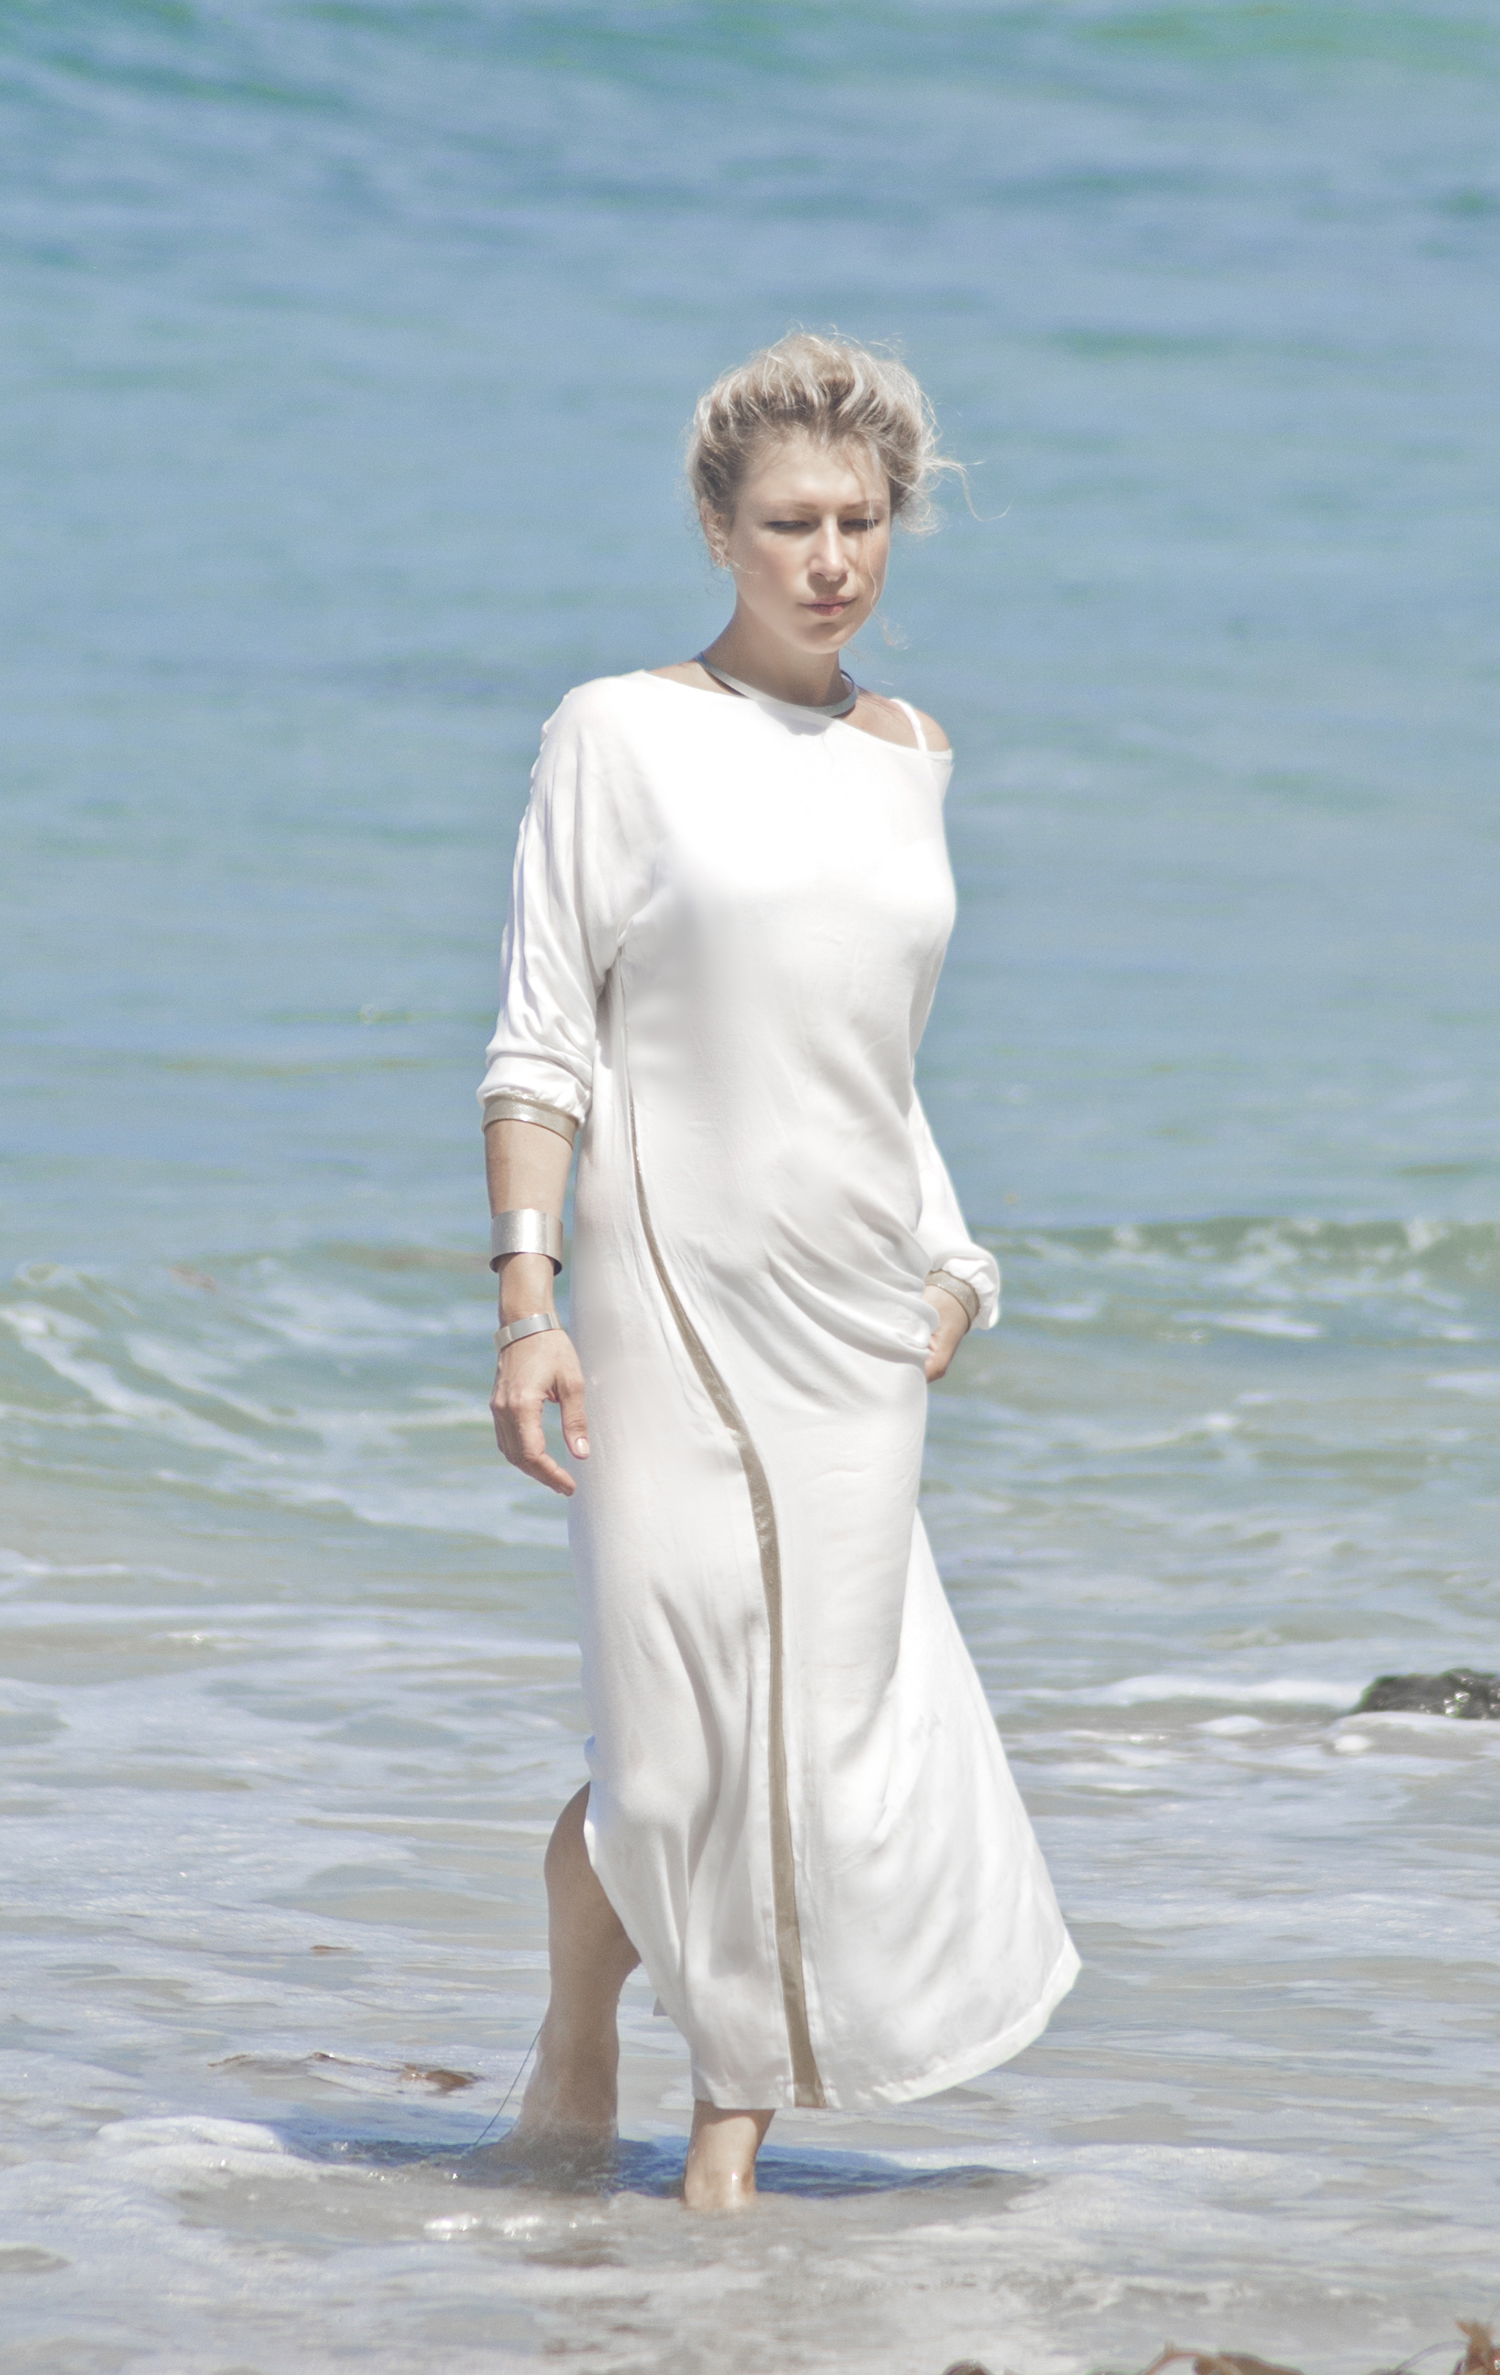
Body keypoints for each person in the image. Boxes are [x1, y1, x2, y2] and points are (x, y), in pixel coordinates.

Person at [480, 331, 1077, 2211]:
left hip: (855, 1319)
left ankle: (721, 2164)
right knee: (668, 1770)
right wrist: (525, 1302)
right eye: (793, 523)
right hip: (667, 1306)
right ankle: (580, 2043)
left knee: (807, 1751)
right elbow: (542, 1043)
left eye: (863, 521)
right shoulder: (616, 732)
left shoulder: (912, 756)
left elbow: (869, 1063)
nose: (833, 559)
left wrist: (955, 1261)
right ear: (717, 530)